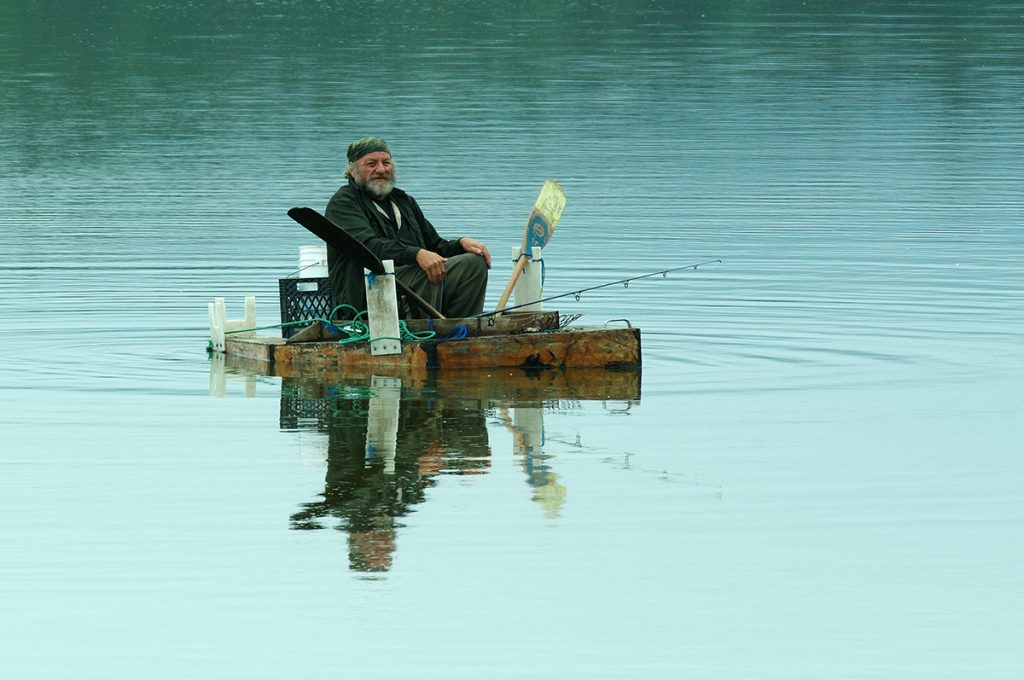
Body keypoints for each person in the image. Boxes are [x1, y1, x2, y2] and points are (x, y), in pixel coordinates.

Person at [325, 137, 491, 319]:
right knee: (426, 269)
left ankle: (458, 328)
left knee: (473, 263)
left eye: (386, 163)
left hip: (410, 279)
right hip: (367, 289)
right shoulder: (343, 203)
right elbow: (366, 245)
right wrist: (417, 254)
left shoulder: (404, 201)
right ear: (353, 169)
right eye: (371, 164)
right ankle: (425, 331)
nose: (381, 169)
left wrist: (460, 244)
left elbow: (434, 246)